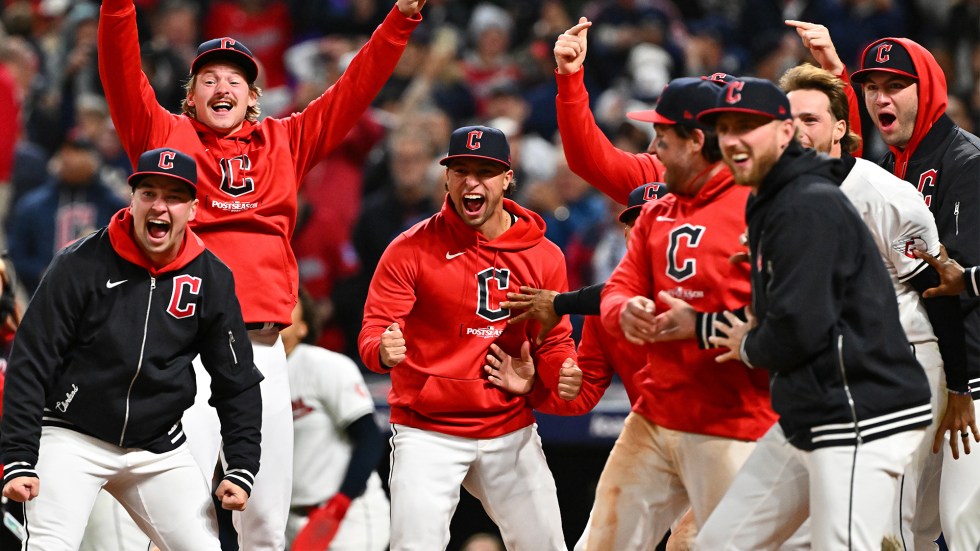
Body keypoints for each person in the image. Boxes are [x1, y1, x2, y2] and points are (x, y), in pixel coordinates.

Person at [96, 1, 426, 549]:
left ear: (253, 97)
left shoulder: (286, 141)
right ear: (190, 96)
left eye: (235, 80)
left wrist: (402, 19)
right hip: (183, 348)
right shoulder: (160, 134)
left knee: (266, 525)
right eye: (207, 79)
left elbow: (355, 89)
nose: (221, 87)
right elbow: (119, 69)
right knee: (183, 520)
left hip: (263, 351)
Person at [691, 76, 932, 550]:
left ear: (784, 134)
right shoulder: (773, 196)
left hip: (861, 411)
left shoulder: (806, 204)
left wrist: (745, 344)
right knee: (720, 543)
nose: (734, 140)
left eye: (749, 126)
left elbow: (799, 329)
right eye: (725, 128)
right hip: (811, 408)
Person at [0, 147, 263, 550]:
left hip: (157, 447)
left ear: (193, 210)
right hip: (73, 436)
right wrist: (18, 455)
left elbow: (237, 380)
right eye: (149, 193)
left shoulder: (211, 277)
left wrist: (241, 464)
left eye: (174, 197)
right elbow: (31, 361)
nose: (160, 206)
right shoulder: (79, 263)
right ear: (133, 199)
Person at [359, 125, 587, 550]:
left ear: (507, 179)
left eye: (485, 171)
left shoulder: (543, 255)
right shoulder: (409, 248)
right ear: (446, 177)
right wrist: (381, 351)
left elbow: (553, 342)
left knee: (547, 545)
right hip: (427, 428)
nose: (471, 182)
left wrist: (560, 373)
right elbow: (374, 329)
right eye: (460, 170)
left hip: (506, 424)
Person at [580, 73, 777, 550]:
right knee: (598, 544)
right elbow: (621, 284)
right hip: (655, 413)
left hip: (731, 420)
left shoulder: (759, 207)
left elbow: (786, 317)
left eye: (663, 139)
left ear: (695, 141)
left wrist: (701, 326)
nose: (655, 152)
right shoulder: (656, 211)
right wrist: (622, 311)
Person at [284, 288, 390, 550]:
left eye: (289, 304)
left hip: (348, 516)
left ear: (303, 327)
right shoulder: (251, 376)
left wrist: (338, 508)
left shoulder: (325, 365)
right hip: (287, 520)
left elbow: (369, 438)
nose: (278, 309)